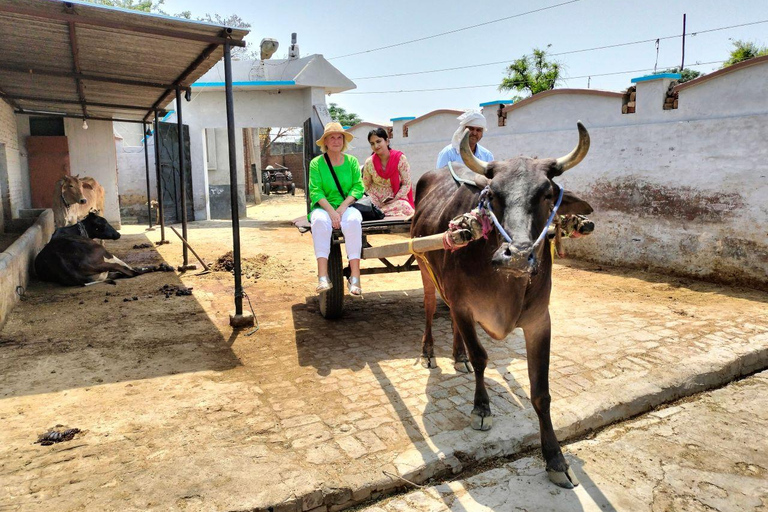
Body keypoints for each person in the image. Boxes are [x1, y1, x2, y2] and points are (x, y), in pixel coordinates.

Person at [308, 122, 365, 296]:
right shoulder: (316, 163)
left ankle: (355, 277)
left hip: (346, 206)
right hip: (323, 207)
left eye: (339, 137)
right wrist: (331, 212)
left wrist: (342, 207)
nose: (336, 141)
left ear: (343, 141)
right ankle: (323, 276)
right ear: (325, 141)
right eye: (331, 137)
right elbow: (315, 190)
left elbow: (358, 187)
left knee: (354, 220)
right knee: (319, 222)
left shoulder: (352, 162)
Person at [361, 127, 415, 217]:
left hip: (395, 199)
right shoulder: (369, 162)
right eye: (372, 143)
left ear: (387, 141)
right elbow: (366, 185)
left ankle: (379, 213)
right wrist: (372, 200)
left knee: (406, 208)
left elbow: (406, 184)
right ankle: (379, 212)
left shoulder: (400, 159)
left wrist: (395, 198)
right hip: (375, 199)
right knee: (363, 207)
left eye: (378, 141)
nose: (376, 146)